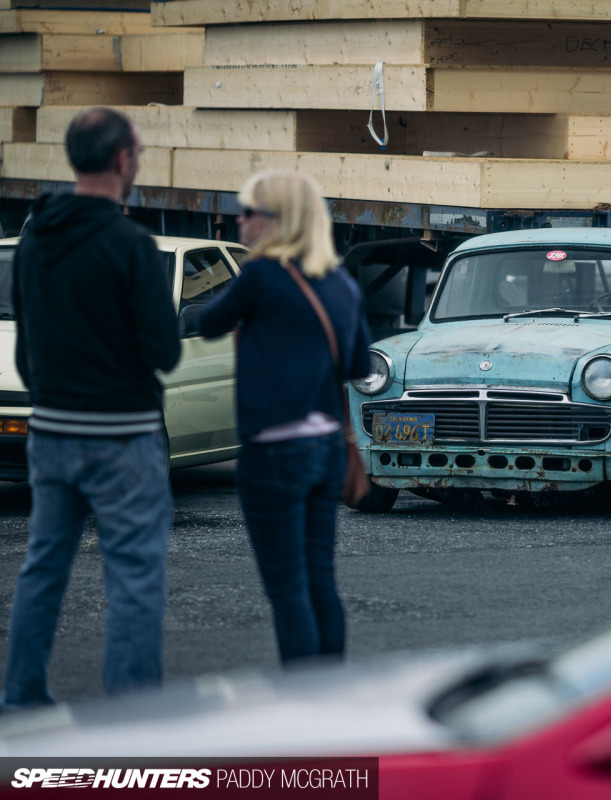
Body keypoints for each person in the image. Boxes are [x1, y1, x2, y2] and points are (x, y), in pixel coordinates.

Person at [3, 108, 180, 707]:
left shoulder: (33, 240)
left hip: (50, 432)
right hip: (123, 437)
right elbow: (165, 351)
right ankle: (130, 718)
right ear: (123, 160)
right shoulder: (130, 245)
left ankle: (21, 700)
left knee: (43, 567)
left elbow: (28, 357)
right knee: (132, 577)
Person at [199, 171, 371, 665]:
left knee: (287, 587)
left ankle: (301, 708)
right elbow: (359, 365)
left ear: (277, 220)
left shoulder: (261, 276)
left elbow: (209, 323)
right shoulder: (341, 283)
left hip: (274, 451)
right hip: (325, 451)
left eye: (248, 211)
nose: (239, 220)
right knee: (320, 577)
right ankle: (327, 700)